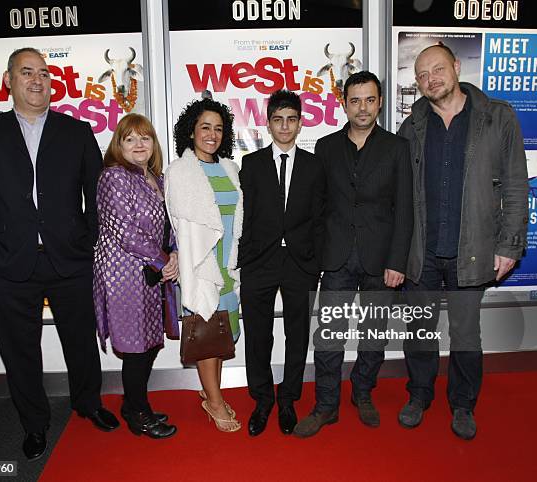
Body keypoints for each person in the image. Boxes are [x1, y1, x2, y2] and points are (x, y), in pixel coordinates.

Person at [0, 47, 118, 461]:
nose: (37, 80)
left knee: (81, 342)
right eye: (26, 72)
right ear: (8, 80)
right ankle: (35, 423)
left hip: (70, 260)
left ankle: (89, 404)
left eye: (44, 73)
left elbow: (96, 196)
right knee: (19, 350)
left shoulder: (77, 131)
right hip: (9, 265)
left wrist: (91, 243)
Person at [397, 44, 528, 440]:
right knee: (419, 330)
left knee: (466, 333)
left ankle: (463, 404)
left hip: (472, 248)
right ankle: (419, 395)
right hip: (423, 249)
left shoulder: (496, 116)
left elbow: (516, 184)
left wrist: (509, 244)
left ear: (456, 66)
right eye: (422, 75)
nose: (430, 79)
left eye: (437, 69)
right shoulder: (412, 125)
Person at [294, 71, 413, 437]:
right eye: (355, 100)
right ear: (343, 103)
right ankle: (326, 405)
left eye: (369, 100)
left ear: (379, 103)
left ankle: (362, 393)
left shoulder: (397, 148)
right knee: (329, 336)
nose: (362, 107)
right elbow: (318, 206)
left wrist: (397, 261)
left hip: (381, 261)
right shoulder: (326, 148)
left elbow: (405, 209)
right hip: (336, 258)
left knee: (373, 335)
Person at [238, 89, 324, 436]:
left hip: (300, 263)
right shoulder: (252, 164)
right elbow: (245, 216)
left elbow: (321, 215)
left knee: (297, 334)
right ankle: (262, 400)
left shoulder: (315, 166)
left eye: (291, 120)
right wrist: (246, 255)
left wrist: (314, 259)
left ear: (300, 124)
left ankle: (288, 398)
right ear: (268, 124)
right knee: (258, 335)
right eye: (278, 120)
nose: (285, 126)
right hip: (260, 261)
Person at [93, 113, 178, 440]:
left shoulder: (153, 176)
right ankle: (138, 413)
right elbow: (125, 231)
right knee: (138, 347)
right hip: (124, 275)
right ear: (120, 145)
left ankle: (134, 404)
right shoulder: (113, 177)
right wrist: (162, 259)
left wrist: (172, 254)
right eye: (130, 139)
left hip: (151, 274)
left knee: (150, 344)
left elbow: (166, 224)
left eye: (145, 138)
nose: (139, 144)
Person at [165, 98, 243, 432]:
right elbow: (171, 224)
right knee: (208, 335)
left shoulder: (229, 168)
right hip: (200, 266)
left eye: (218, 128)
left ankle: (211, 391)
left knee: (220, 335)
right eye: (204, 127)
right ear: (191, 131)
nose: (211, 134)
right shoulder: (179, 171)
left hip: (227, 264)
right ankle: (213, 401)